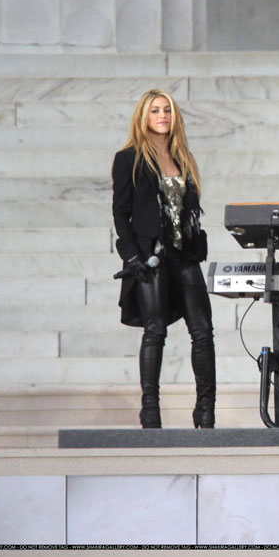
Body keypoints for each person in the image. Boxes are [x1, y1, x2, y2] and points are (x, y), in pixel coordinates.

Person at [112, 89, 215, 429]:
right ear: (144, 115)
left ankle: (205, 409)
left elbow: (189, 210)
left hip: (184, 255)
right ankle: (150, 409)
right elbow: (121, 213)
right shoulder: (129, 158)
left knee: (202, 331)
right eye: (155, 110)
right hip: (151, 254)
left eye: (167, 110)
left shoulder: (183, 157)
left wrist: (198, 241)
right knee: (155, 331)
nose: (162, 116)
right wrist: (132, 256)